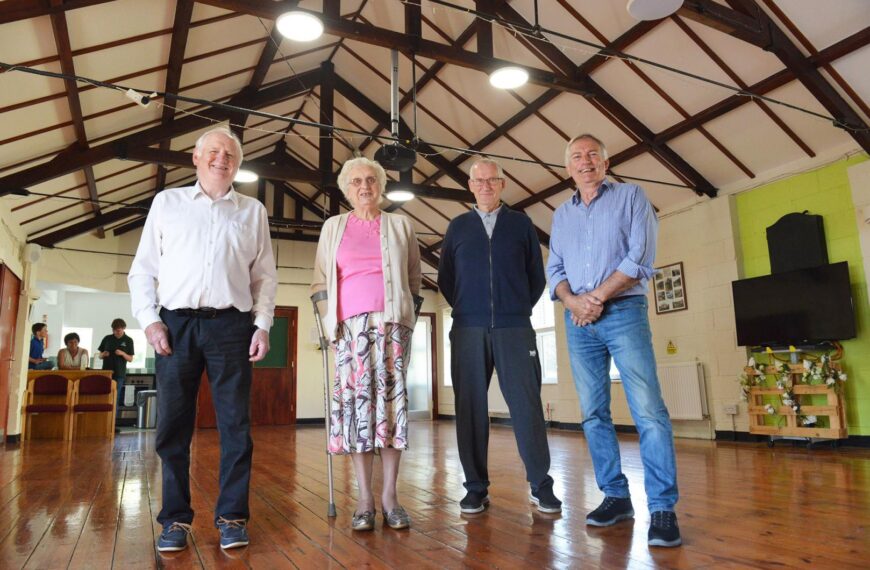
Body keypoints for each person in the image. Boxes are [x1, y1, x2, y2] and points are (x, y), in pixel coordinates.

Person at [128, 126, 278, 552]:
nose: (221, 158)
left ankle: (232, 517)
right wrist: (149, 321)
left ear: (238, 164)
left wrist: (262, 324)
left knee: (235, 426)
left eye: (229, 154)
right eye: (213, 151)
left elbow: (264, 276)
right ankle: (174, 521)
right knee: (173, 427)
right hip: (174, 325)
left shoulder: (253, 212)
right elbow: (143, 270)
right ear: (195, 158)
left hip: (232, 327)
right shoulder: (167, 203)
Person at [547, 134, 681, 547]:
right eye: (576, 157)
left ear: (606, 162)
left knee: (649, 411)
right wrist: (573, 301)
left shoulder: (631, 197)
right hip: (578, 321)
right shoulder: (561, 215)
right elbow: (554, 270)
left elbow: (640, 257)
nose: (584, 162)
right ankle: (616, 496)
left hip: (623, 312)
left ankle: (661, 508)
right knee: (593, 414)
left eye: (592, 155)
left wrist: (597, 298)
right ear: (568, 168)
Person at [438, 158, 561, 515]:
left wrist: (515, 307)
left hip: (514, 328)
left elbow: (536, 276)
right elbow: (447, 278)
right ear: (470, 186)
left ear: (503, 184)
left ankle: (541, 485)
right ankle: (475, 487)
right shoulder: (457, 227)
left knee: (527, 407)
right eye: (480, 181)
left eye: (493, 180)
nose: (486, 186)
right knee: (470, 409)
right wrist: (467, 308)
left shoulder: (521, 224)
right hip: (467, 329)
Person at [311, 157, 421, 532]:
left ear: (381, 185)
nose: (364, 187)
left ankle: (390, 497)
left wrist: (405, 325)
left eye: (371, 180)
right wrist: (330, 326)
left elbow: (414, 281)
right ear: (346, 188)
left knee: (389, 414)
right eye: (356, 181)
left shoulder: (401, 225)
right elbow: (320, 282)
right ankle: (364, 499)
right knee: (359, 416)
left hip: (391, 329)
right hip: (349, 333)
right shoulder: (333, 227)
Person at [98, 319, 134, 407]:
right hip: (106, 373)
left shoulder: (128, 340)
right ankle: (105, 419)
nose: (116, 332)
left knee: (115, 397)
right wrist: (103, 354)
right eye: (114, 330)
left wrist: (122, 353)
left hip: (119, 374)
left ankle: (114, 419)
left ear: (123, 328)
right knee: (104, 396)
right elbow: (99, 356)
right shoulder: (107, 338)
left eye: (118, 330)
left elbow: (130, 359)